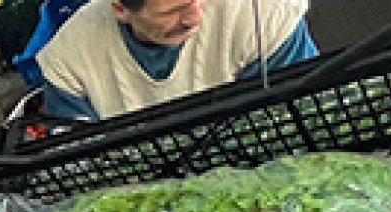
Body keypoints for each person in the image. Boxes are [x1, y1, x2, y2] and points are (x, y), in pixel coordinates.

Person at [37, 0, 318, 121]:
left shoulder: (261, 16)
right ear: (121, 9)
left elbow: (310, 108)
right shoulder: (70, 61)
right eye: (173, 11)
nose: (194, 18)